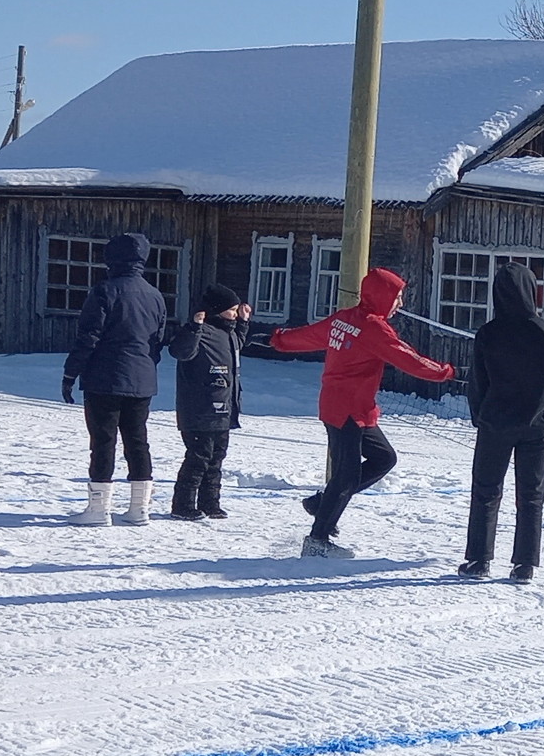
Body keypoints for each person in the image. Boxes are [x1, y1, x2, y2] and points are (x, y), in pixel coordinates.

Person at [269, 267, 454, 558]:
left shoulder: (344, 319)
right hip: (347, 410)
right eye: (397, 297)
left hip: (351, 408)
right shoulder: (374, 328)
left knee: (384, 458)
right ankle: (318, 540)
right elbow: (408, 359)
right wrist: (446, 372)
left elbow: (309, 335)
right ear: (382, 296)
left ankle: (322, 503)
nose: (401, 304)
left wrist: (280, 339)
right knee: (345, 476)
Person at [459, 263, 544, 583]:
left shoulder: (488, 333)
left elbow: (477, 381)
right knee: (531, 494)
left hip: (495, 423)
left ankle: (478, 560)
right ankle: (524, 565)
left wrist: (480, 415)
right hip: (537, 425)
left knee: (486, 491)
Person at [62, 232, 169, 526]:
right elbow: (156, 341)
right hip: (143, 379)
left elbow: (88, 337)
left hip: (104, 378)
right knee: (138, 442)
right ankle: (139, 509)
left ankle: (98, 510)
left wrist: (71, 372)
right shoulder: (155, 295)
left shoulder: (104, 291)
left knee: (103, 441)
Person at [166, 283, 250, 521]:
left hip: (224, 408)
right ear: (216, 309)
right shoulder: (200, 331)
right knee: (198, 458)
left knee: (216, 459)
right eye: (232, 310)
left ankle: (210, 502)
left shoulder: (230, 333)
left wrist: (243, 323)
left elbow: (237, 346)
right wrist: (194, 328)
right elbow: (181, 352)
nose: (235, 313)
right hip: (199, 409)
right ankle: (182, 504)